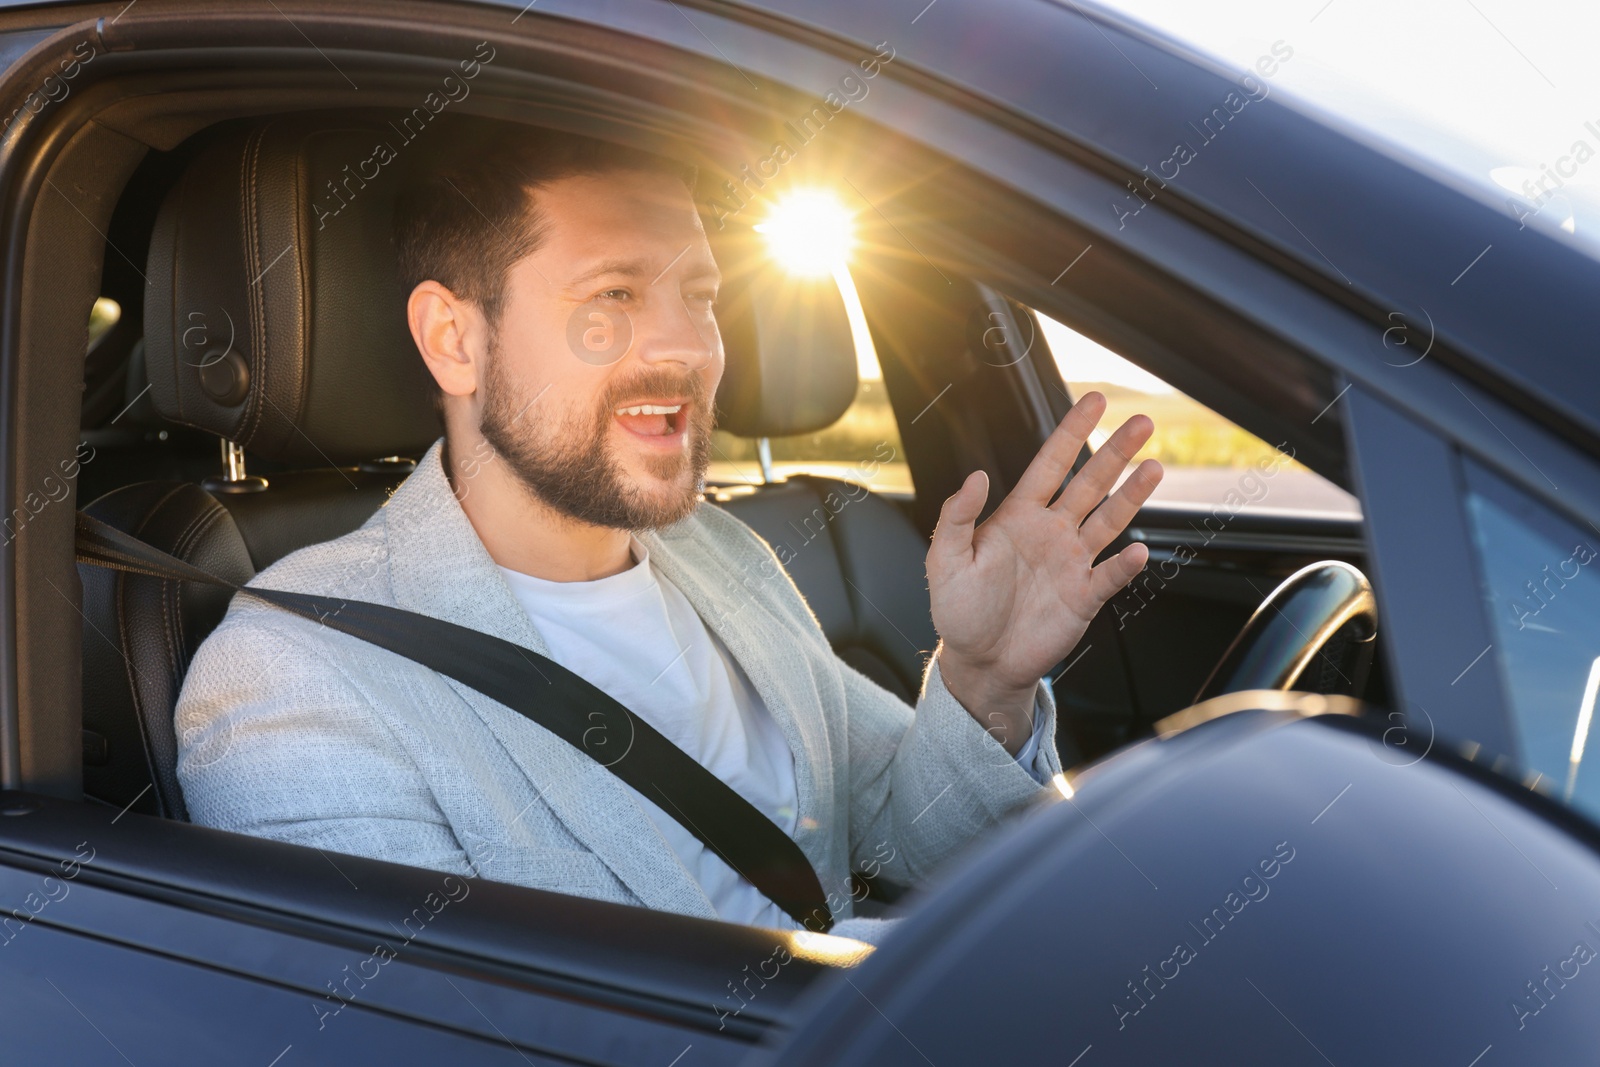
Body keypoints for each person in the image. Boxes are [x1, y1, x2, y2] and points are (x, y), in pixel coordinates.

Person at [173, 128, 1163, 945]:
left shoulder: (722, 559)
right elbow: (437, 1035)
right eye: (612, 294)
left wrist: (983, 678)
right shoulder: (296, 672)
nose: (687, 345)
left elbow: (904, 829)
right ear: (453, 339)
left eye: (701, 294)